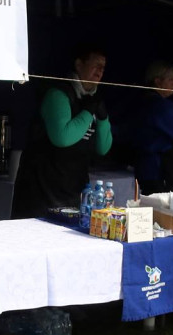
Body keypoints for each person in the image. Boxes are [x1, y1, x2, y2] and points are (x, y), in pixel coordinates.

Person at [11, 44, 112, 218]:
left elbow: (103, 148)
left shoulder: (93, 100)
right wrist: (88, 112)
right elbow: (62, 138)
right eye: (95, 65)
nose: (100, 71)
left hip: (73, 190)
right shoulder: (58, 94)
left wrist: (103, 119)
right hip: (42, 191)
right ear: (79, 64)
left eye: (103, 67)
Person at [133, 60, 173, 193]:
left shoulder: (140, 103)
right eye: (170, 79)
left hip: (142, 168)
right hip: (160, 170)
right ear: (158, 81)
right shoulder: (164, 108)